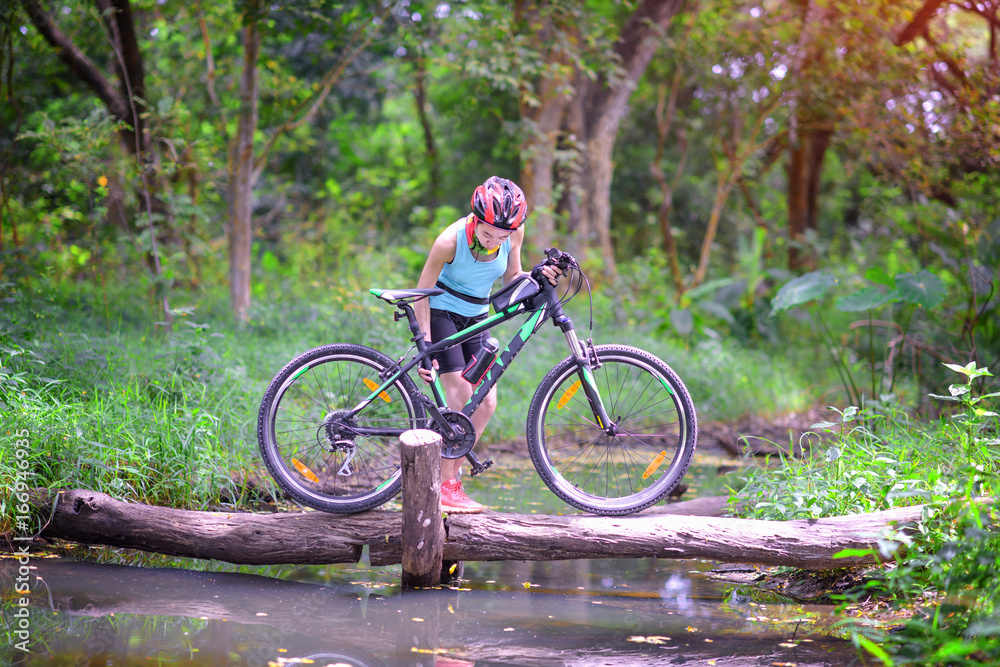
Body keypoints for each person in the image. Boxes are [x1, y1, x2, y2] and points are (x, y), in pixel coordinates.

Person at [414, 176, 559, 513]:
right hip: (442, 313)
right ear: (476, 220)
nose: (494, 241)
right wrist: (425, 343)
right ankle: (446, 484)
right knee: (461, 397)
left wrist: (539, 275)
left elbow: (512, 277)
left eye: (502, 237)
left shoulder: (514, 233)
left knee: (487, 401)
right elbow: (421, 293)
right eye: (487, 234)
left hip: (478, 316)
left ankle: (447, 478)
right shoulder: (449, 241)